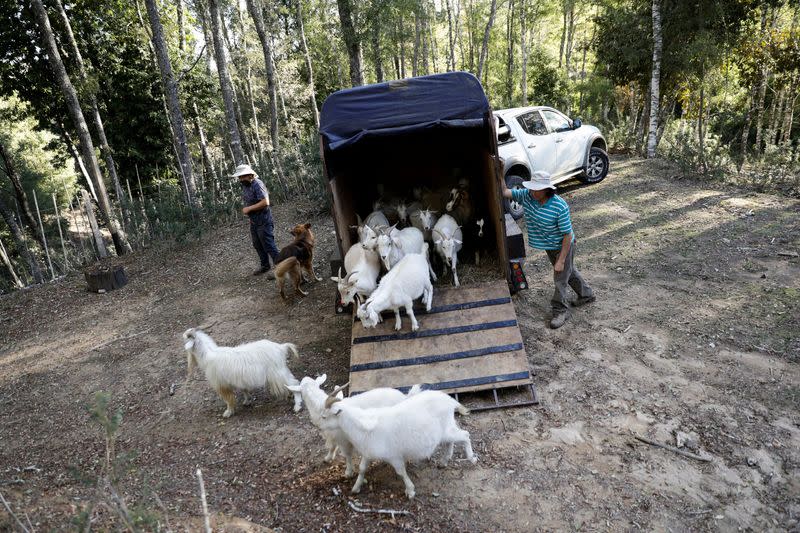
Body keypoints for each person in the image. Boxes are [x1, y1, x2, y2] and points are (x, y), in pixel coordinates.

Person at [501, 170, 595, 328]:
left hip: (564, 245)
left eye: (537, 189)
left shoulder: (559, 206)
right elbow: (504, 191)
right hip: (550, 246)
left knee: (560, 277)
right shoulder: (527, 195)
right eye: (532, 188)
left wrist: (561, 259)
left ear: (547, 189)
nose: (532, 192)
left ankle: (560, 310)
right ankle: (587, 294)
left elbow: (567, 235)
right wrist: (499, 171)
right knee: (568, 272)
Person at [232, 164, 279, 279]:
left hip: (264, 221)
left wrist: (249, 209)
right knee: (257, 244)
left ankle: (281, 268)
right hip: (254, 222)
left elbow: (265, 202)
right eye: (239, 177)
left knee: (269, 245)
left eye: (242, 177)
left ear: (250, 175)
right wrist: (250, 213)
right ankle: (265, 265)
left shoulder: (258, 184)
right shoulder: (246, 186)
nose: (240, 179)